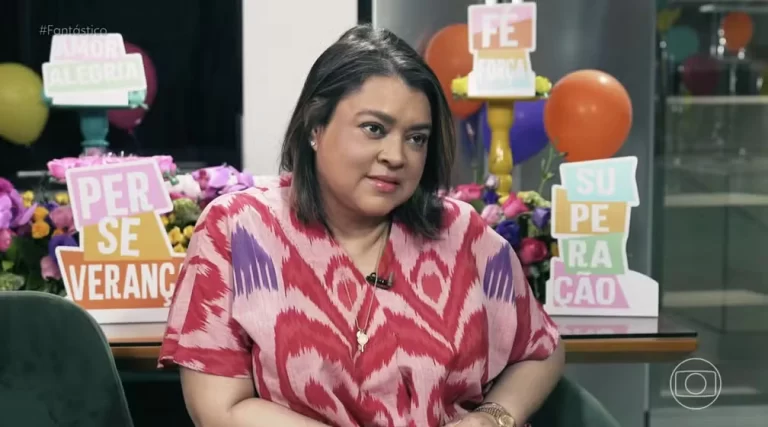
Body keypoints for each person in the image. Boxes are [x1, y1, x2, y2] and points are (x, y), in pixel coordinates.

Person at [158, 24, 564, 427]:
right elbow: (219, 408)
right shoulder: (237, 229)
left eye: (416, 138)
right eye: (374, 129)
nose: (396, 156)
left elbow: (540, 350)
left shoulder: (462, 233)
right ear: (315, 126)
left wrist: (491, 418)